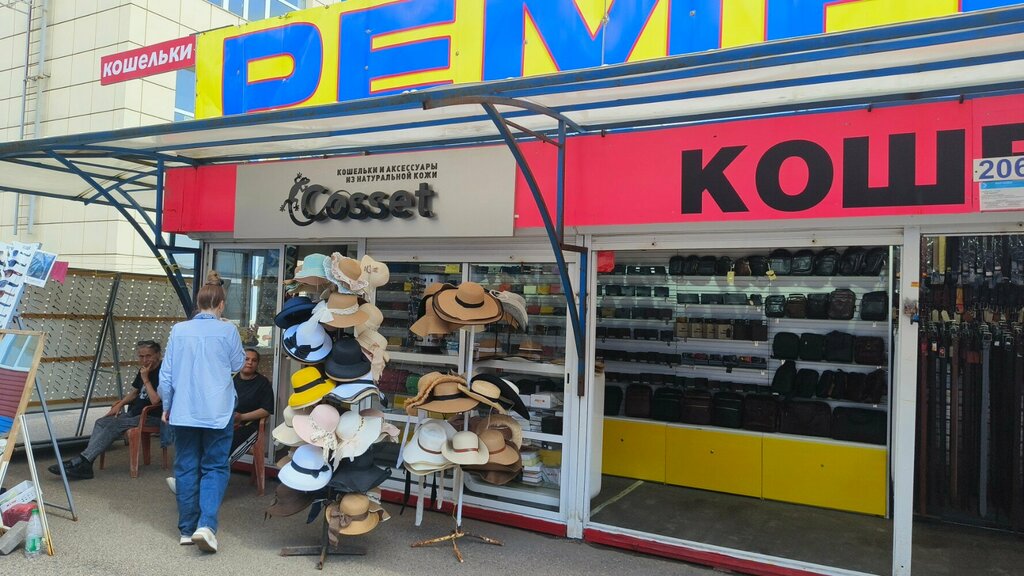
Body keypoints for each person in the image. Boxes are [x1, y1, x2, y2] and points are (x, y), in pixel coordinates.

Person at [159, 271, 245, 553]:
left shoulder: (179, 330)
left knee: (185, 466)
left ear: (198, 304)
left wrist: (167, 406)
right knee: (215, 466)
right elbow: (238, 364)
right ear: (221, 305)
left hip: (183, 410)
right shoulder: (228, 330)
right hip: (218, 410)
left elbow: (166, 374)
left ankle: (186, 529)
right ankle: (206, 526)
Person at [48, 341, 163, 480]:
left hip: (152, 416)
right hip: (135, 414)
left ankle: (83, 461)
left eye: (148, 356)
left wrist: (146, 379)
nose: (144, 360)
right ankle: (86, 462)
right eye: (141, 356)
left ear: (158, 354)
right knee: (101, 422)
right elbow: (135, 392)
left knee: (115, 424)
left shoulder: (163, 371)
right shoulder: (143, 370)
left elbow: (155, 400)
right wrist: (120, 404)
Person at [165, 348, 273, 494]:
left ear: (257, 364)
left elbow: (266, 410)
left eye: (254, 360)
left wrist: (242, 417)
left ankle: (201, 487)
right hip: (223, 422)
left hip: (248, 426)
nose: (249, 363)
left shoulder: (262, 383)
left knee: (222, 449)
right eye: (246, 359)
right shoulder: (230, 378)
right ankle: (189, 482)